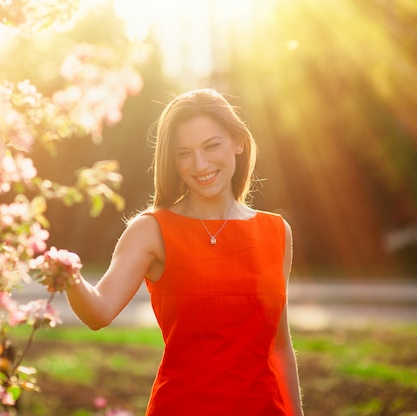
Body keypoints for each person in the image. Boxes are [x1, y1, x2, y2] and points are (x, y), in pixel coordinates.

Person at [65, 88, 304, 415]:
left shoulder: (277, 231)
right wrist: (69, 276)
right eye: (184, 153)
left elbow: (279, 346)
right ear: (172, 160)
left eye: (212, 146)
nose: (200, 164)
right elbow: (99, 312)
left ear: (238, 142)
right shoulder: (151, 230)